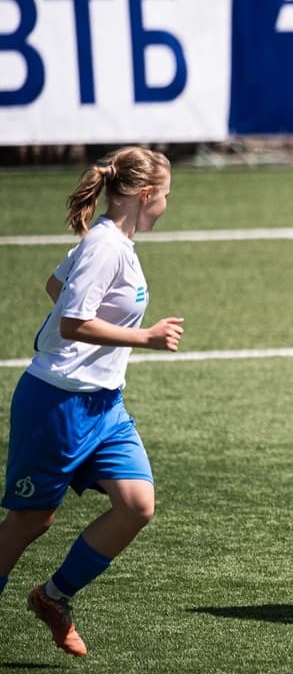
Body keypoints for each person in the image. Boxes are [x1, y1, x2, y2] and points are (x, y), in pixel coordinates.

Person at [0, 147, 184, 657]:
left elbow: (55, 284)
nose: (167, 204)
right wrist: (144, 338)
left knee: (136, 505)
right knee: (32, 522)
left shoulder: (115, 241)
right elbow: (71, 321)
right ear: (146, 194)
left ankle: (53, 597)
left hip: (105, 407)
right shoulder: (106, 245)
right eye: (166, 194)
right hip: (56, 402)